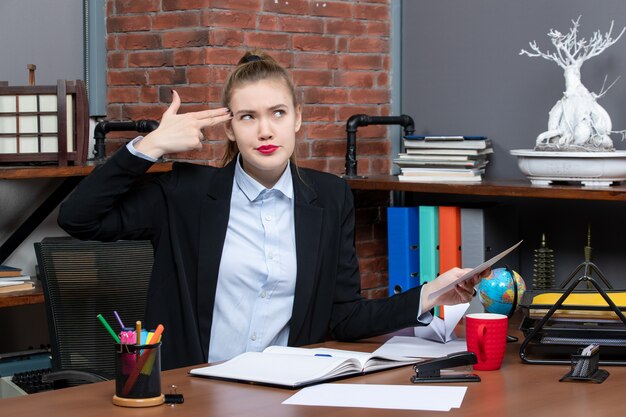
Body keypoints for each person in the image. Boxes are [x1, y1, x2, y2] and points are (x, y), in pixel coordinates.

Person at [58, 50, 481, 370]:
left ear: (297, 118)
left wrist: (431, 293)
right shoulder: (185, 192)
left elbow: (345, 316)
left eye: (277, 113)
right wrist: (148, 147)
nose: (265, 130)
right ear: (229, 128)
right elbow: (79, 218)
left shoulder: (330, 197)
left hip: (284, 391)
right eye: (247, 117)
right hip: (191, 389)